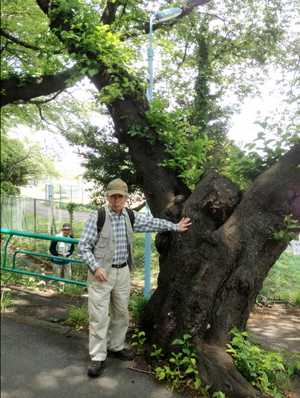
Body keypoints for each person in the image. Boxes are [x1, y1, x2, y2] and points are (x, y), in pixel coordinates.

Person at [78, 178, 192, 376]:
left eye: (120, 196)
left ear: (125, 198)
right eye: (112, 196)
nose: (116, 200)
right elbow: (83, 247)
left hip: (122, 272)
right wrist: (96, 267)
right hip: (101, 275)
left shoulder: (129, 217)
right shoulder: (97, 217)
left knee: (121, 313)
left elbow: (151, 223)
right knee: (99, 316)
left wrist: (175, 226)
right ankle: (97, 356)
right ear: (107, 197)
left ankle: (116, 346)